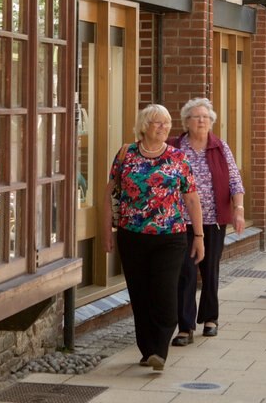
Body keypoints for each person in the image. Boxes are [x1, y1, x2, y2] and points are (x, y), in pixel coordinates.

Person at [103, 104, 204, 372]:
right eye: (157, 123)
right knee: (140, 294)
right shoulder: (126, 154)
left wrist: (199, 235)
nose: (163, 127)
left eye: (167, 123)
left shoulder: (178, 158)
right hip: (131, 235)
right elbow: (110, 193)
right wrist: (106, 232)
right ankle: (147, 349)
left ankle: (160, 349)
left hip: (170, 236)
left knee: (165, 292)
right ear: (144, 126)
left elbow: (191, 198)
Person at [167, 98, 245, 347]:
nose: (201, 120)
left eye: (205, 117)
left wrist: (239, 209)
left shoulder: (220, 147)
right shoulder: (175, 148)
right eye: (196, 116)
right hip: (181, 221)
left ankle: (210, 318)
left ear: (211, 122)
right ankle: (185, 326)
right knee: (185, 272)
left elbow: (234, 180)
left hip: (213, 220)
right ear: (186, 122)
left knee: (209, 270)